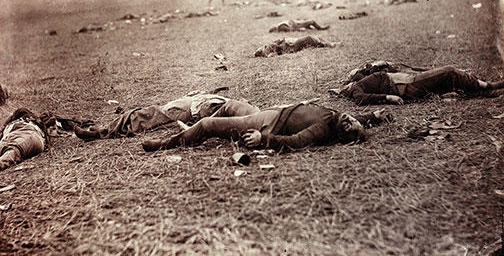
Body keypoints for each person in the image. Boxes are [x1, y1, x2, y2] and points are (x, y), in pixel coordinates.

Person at [142, 103, 392, 152]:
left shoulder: (324, 128)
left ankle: (167, 144)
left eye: (349, 126)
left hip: (268, 123)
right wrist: (373, 116)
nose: (350, 120)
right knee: (231, 104)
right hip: (272, 111)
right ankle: (192, 129)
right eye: (353, 121)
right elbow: (354, 118)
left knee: (208, 124)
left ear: (341, 134)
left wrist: (264, 140)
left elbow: (296, 141)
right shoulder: (339, 118)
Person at [74, 92, 259, 140]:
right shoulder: (253, 113)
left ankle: (101, 132)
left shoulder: (249, 118)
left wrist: (195, 126)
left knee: (146, 115)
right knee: (148, 113)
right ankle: (103, 130)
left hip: (196, 107)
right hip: (201, 101)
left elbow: (218, 118)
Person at [332, 65, 504, 105]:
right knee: (449, 71)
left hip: (406, 81)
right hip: (405, 86)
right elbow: (361, 99)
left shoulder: (360, 80)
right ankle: (489, 86)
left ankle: (482, 92)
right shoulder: (355, 89)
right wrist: (388, 97)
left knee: (444, 78)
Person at [254, 35, 336, 57]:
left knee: (314, 38)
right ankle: (326, 44)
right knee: (308, 38)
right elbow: (276, 51)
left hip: (289, 43)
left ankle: (330, 43)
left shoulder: (266, 47)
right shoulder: (267, 51)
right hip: (290, 48)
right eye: (259, 50)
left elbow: (278, 42)